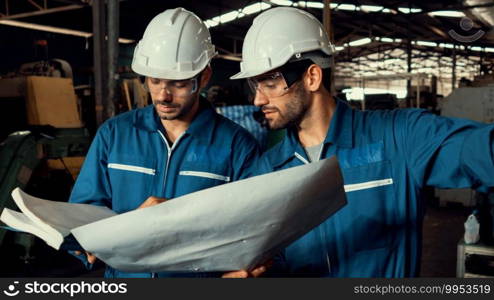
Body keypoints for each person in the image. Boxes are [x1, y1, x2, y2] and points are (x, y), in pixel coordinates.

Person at [230, 7, 494, 277]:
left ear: (311, 77)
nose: (258, 100)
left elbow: (482, 152)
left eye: (270, 84)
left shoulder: (399, 138)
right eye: (255, 86)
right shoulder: (267, 171)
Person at [69, 7, 260, 278]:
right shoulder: (114, 135)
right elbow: (81, 220)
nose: (163, 95)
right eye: (154, 81)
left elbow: (252, 232)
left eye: (177, 84)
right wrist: (125, 228)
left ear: (203, 78)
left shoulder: (237, 147)